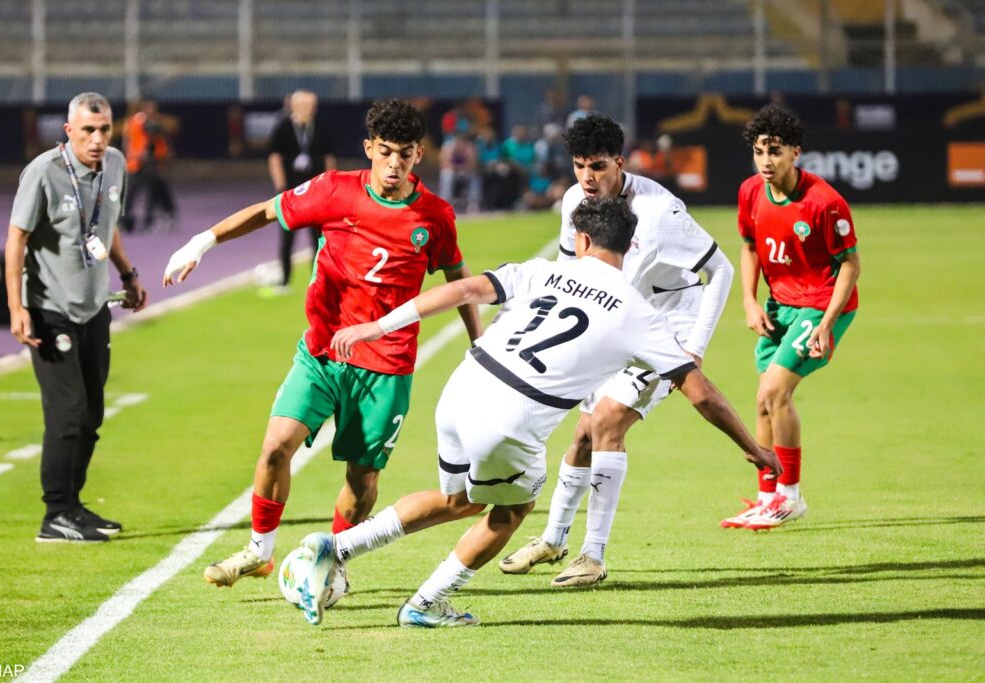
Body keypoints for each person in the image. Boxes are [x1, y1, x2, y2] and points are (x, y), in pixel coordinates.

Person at [288, 197, 779, 628]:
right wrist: (754, 448)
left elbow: (462, 290)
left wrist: (378, 327)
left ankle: (338, 546)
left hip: (461, 389)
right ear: (630, 248)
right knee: (511, 510)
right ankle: (425, 604)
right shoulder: (638, 313)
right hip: (510, 417)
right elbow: (701, 393)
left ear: (581, 240)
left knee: (458, 499)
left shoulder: (542, 269)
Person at [162, 99, 483, 587]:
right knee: (276, 447)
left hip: (385, 368)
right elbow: (267, 211)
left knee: (362, 479)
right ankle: (259, 551)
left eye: (405, 154)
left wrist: (477, 344)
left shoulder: (434, 215)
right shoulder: (334, 190)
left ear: (419, 154)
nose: (394, 164)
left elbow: (459, 279)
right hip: (322, 353)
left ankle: (333, 562)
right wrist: (202, 242)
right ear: (369, 148)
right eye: (385, 152)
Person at [499, 115, 735, 586]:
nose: (587, 177)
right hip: (613, 322)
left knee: (607, 420)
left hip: (666, 326)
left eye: (598, 166)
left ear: (620, 163)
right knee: (583, 435)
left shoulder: (660, 212)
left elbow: (721, 270)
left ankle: (593, 555)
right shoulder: (575, 202)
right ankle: (554, 538)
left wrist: (694, 347)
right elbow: (572, 269)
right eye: (579, 165)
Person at [4, 92, 148, 543]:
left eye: (104, 129)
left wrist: (128, 274)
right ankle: (55, 514)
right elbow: (16, 239)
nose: (97, 139)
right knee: (67, 413)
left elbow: (106, 226)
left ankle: (73, 505)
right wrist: (16, 307)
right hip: (50, 310)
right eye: (88, 130)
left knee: (91, 415)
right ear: (69, 131)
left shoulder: (116, 164)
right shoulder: (44, 172)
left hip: (94, 307)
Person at [722, 104, 860, 530]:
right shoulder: (750, 192)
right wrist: (749, 301)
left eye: (775, 151)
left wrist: (826, 324)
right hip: (779, 307)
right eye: (759, 151)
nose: (766, 160)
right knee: (763, 399)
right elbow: (750, 247)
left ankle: (791, 496)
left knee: (775, 393)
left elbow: (850, 264)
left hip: (821, 304)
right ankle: (767, 497)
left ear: (795, 152)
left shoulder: (825, 203)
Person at [266, 90, 336, 291]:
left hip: (317, 190)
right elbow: (274, 157)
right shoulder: (282, 127)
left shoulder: (321, 126)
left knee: (318, 238)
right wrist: (280, 186)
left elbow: (329, 157)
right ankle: (284, 280)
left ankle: (318, 281)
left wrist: (330, 186)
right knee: (287, 236)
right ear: (293, 106)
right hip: (291, 190)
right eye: (303, 104)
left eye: (311, 105)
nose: (308, 108)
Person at [122, 100, 177, 233]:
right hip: (136, 163)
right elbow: (128, 141)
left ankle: (150, 219)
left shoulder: (157, 125)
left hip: (152, 164)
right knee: (130, 192)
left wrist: (162, 158)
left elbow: (163, 145)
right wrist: (134, 154)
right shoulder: (135, 122)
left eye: (153, 108)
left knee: (155, 191)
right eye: (148, 108)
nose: (151, 111)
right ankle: (124, 219)